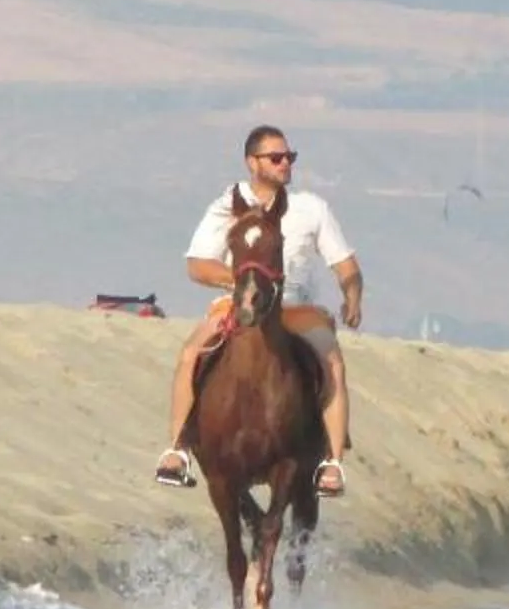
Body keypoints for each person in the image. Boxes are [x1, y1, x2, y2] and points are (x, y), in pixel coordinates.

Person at [155, 124, 362, 496]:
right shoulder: (226, 206)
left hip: (295, 309)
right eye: (276, 157)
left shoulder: (311, 208)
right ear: (252, 162)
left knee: (332, 361)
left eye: (289, 157)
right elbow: (197, 264)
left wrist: (352, 298)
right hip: (239, 303)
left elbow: (345, 265)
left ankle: (332, 462)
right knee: (191, 353)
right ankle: (178, 450)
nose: (286, 164)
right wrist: (241, 283)